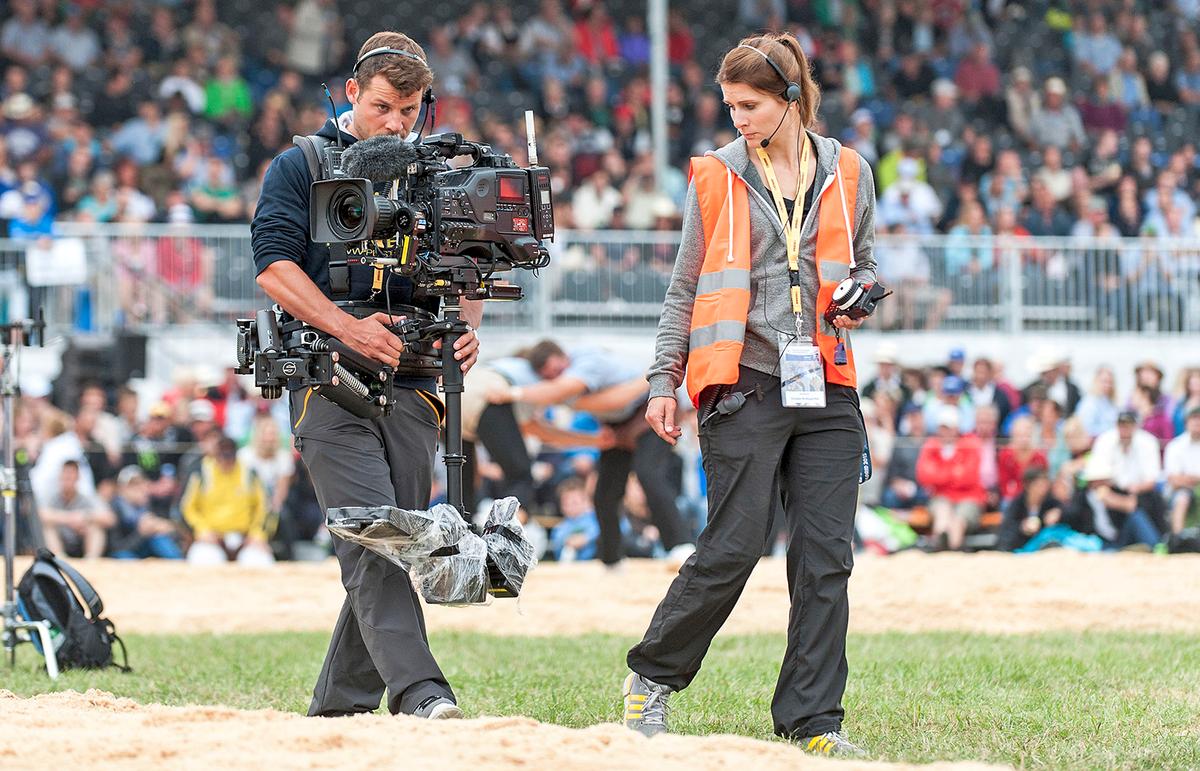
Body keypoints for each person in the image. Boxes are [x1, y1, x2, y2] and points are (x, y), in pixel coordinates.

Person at [621, 32, 876, 756]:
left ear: (791, 98)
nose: (738, 117)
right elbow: (684, 288)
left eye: (751, 104)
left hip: (827, 381)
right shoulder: (716, 173)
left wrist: (862, 295)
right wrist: (662, 381)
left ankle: (815, 720)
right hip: (741, 383)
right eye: (730, 104)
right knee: (735, 543)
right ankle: (651, 675)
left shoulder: (850, 170)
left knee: (827, 556)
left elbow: (866, 259)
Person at [250, 31, 481, 721]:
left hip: (415, 381)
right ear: (352, 92)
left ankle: (338, 709)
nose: (398, 123)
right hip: (329, 377)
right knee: (374, 534)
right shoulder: (301, 163)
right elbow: (272, 264)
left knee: (394, 537)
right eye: (385, 106)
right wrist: (345, 326)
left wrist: (467, 326)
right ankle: (421, 690)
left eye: (410, 110)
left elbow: (472, 262)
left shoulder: (438, 170)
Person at [509, 340, 695, 567]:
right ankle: (611, 560)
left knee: (648, 472)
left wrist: (518, 393)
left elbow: (615, 399)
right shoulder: (559, 388)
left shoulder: (586, 359)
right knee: (604, 494)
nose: (556, 378)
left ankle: (681, 545)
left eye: (558, 371)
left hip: (652, 408)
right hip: (618, 426)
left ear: (564, 358)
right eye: (550, 377)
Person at [917, 406, 986, 551]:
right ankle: (942, 547)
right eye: (942, 427)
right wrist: (953, 473)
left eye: (948, 428)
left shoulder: (970, 443)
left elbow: (969, 477)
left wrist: (940, 474)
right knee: (942, 515)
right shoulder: (931, 445)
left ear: (957, 428)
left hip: (969, 497)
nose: (944, 432)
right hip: (942, 497)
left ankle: (951, 549)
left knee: (958, 521)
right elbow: (923, 475)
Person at [39, 460, 115, 559]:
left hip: (81, 541)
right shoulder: (51, 496)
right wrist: (69, 518)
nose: (68, 478)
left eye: (71, 476)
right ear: (60, 476)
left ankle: (91, 561)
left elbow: (110, 518)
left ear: (77, 477)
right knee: (47, 528)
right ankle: (60, 559)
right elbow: (39, 515)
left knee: (96, 528)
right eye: (66, 475)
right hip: (60, 541)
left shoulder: (87, 497)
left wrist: (85, 517)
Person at [108, 465, 184, 560]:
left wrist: (162, 528)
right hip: (124, 552)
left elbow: (171, 528)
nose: (140, 489)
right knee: (125, 557)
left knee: (160, 539)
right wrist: (141, 533)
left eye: (141, 483)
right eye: (133, 485)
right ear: (122, 489)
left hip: (145, 548)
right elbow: (116, 547)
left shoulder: (147, 505)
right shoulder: (114, 509)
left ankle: (177, 562)